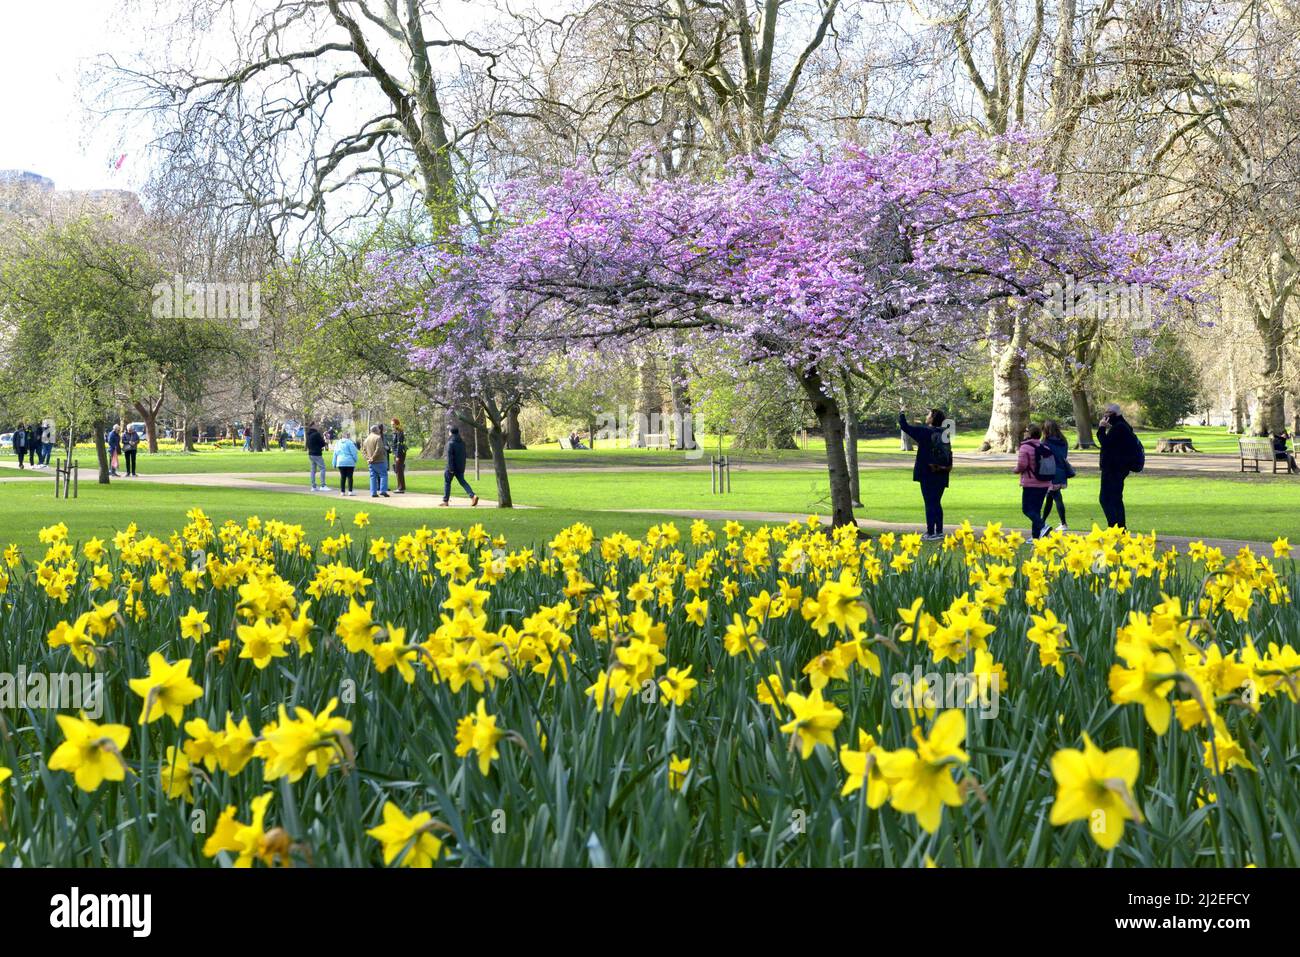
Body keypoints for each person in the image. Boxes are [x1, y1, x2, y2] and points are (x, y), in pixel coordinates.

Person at [898, 407, 950, 541]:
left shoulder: (925, 432)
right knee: (936, 502)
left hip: (927, 472)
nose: (927, 416)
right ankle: (939, 531)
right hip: (942, 472)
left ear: (932, 418)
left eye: (928, 415)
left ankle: (931, 532)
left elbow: (905, 426)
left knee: (929, 502)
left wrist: (902, 412)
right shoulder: (945, 434)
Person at [1097, 403, 1140, 528]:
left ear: (1113, 414)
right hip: (1120, 468)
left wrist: (1101, 428)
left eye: (1107, 413)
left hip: (1113, 469)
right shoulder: (1124, 426)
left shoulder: (1118, 428)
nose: (1105, 415)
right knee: (1116, 498)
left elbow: (1105, 443)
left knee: (1105, 499)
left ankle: (1114, 527)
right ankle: (1120, 527)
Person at [1015, 424, 1054, 539]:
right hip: (1044, 483)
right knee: (1036, 510)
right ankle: (1035, 536)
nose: (1024, 432)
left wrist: (1015, 470)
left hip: (1030, 483)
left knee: (1026, 509)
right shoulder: (1045, 447)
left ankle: (1043, 526)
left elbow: (1022, 465)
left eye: (1026, 430)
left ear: (1030, 433)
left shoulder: (1025, 447)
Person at [1040, 420, 1071, 532]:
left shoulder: (1045, 442)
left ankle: (1063, 523)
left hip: (1050, 472)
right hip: (1061, 471)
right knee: (1050, 497)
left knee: (1056, 497)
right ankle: (1042, 521)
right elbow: (1064, 455)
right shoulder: (1063, 441)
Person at [439, 426, 479, 507]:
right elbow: (463, 456)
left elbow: (450, 457)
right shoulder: (462, 443)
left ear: (451, 432)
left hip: (451, 467)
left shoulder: (450, 443)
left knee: (447, 482)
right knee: (463, 482)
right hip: (460, 467)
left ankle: (445, 501)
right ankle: (473, 496)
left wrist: (450, 468)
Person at [363, 424, 391, 498]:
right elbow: (379, 449)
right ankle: (383, 491)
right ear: (376, 430)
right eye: (378, 429)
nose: (380, 430)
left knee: (373, 477)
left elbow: (363, 451)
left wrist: (368, 458)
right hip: (380, 460)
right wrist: (373, 458)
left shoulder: (366, 439)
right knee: (383, 475)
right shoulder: (378, 438)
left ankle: (373, 492)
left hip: (371, 462)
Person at [305, 423, 328, 491]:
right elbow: (322, 444)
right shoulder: (316, 434)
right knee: (322, 468)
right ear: (313, 426)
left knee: (313, 470)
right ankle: (323, 485)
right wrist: (325, 442)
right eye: (316, 425)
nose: (317, 426)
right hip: (317, 453)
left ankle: (313, 486)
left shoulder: (308, 434)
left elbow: (308, 444)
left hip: (311, 454)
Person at [390, 418, 408, 493]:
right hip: (397, 453)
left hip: (399, 454)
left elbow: (399, 445)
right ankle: (401, 487)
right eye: (391, 424)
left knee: (398, 470)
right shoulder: (396, 432)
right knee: (398, 470)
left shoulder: (399, 432)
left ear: (397, 424)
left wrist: (397, 455)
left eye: (393, 424)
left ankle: (400, 488)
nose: (392, 426)